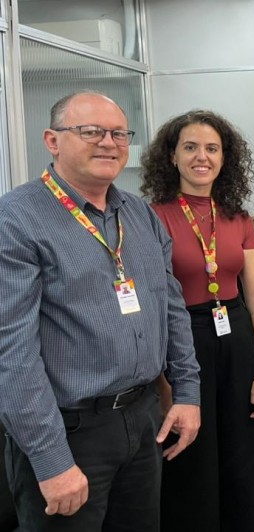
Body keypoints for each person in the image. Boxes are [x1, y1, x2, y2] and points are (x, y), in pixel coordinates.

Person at [0, 91, 201, 531]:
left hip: (141, 418)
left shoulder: (139, 214)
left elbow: (172, 309)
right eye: (90, 131)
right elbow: (11, 352)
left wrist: (187, 393)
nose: (108, 142)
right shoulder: (16, 219)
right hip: (70, 433)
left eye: (118, 133)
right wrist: (51, 460)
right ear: (52, 140)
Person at [141, 110, 254, 532]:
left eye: (212, 148)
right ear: (172, 156)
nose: (203, 157)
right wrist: (164, 383)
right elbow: (152, 305)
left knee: (243, 459)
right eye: (191, 147)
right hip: (184, 342)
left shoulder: (238, 217)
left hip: (236, 339)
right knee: (192, 461)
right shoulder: (152, 216)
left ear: (225, 158)